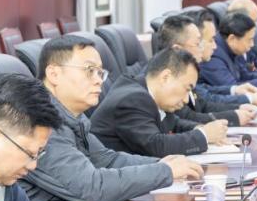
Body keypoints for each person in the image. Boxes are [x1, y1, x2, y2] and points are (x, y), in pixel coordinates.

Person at [21, 36, 203, 201]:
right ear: (54, 74)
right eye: (89, 70)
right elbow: (91, 187)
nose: (99, 80)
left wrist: (162, 164)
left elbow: (108, 159)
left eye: (100, 72)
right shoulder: (41, 124)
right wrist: (164, 172)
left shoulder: (73, 117)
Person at [90, 48, 229, 157]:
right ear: (165, 77)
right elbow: (155, 146)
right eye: (187, 89)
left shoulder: (146, 91)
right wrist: (204, 135)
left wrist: (199, 128)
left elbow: (174, 123)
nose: (187, 99)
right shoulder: (132, 99)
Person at [157, 15, 257, 127]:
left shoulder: (184, 73)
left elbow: (202, 105)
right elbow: (188, 117)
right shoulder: (168, 78)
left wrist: (238, 108)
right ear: (177, 49)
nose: (214, 47)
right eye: (198, 43)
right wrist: (234, 116)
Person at [188, 10, 257, 107]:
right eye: (211, 40)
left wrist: (235, 90)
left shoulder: (232, 50)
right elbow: (208, 98)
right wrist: (250, 98)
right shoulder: (213, 57)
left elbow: (205, 90)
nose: (214, 46)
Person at [200, 12, 257, 91]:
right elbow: (232, 88)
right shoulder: (212, 55)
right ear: (232, 39)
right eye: (249, 40)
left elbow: (244, 76)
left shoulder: (233, 50)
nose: (252, 44)